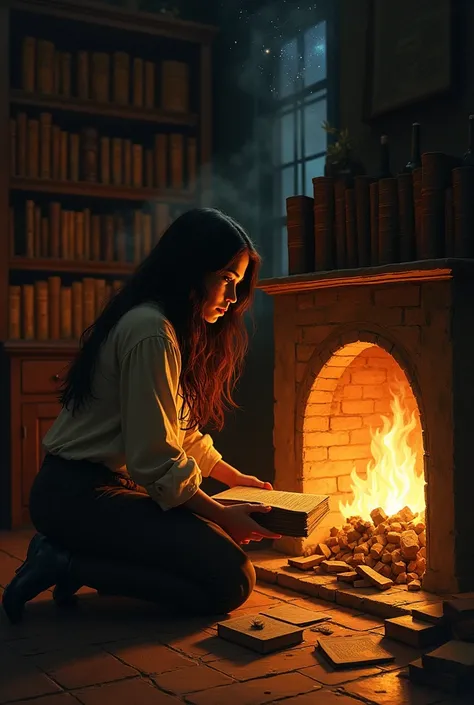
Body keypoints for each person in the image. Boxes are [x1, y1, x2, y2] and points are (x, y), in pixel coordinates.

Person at [2, 208, 281, 625]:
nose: (232, 297)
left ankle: (78, 555)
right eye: (226, 278)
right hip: (76, 495)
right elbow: (155, 458)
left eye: (237, 285)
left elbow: (178, 429)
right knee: (232, 579)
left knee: (216, 553)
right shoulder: (152, 331)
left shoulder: (162, 326)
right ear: (193, 267)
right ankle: (63, 561)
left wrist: (234, 480)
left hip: (106, 489)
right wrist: (223, 515)